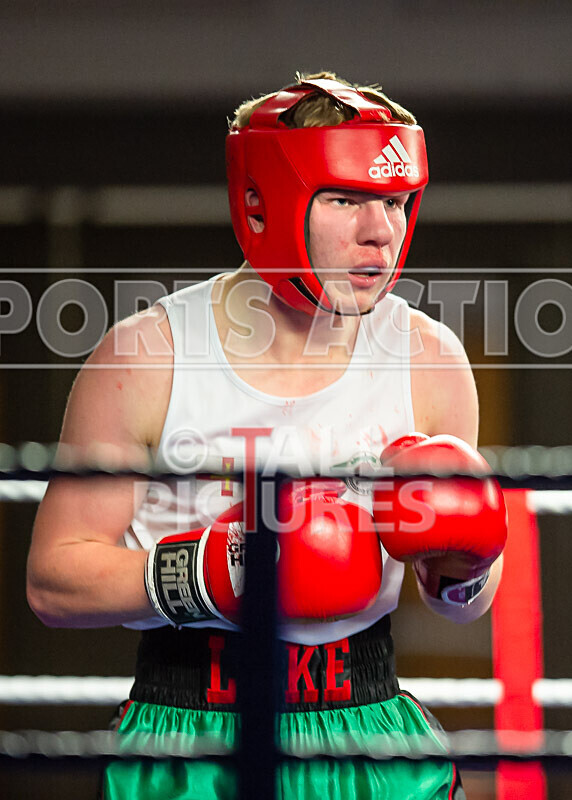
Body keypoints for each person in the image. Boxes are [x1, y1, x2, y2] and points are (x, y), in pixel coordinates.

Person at [27, 72, 506, 799]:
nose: (382, 230)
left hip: (368, 723)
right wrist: (216, 576)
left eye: (396, 201)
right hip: (191, 728)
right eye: (347, 199)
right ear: (265, 203)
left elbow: (458, 601)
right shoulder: (149, 356)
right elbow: (53, 582)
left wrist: (466, 564)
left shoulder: (430, 360)